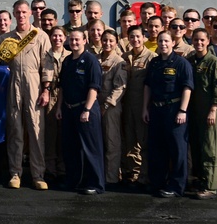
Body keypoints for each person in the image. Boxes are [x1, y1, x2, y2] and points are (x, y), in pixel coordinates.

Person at [0, 0, 54, 190]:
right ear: (13, 14)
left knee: (37, 130)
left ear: (30, 13)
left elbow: (48, 65)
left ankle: (38, 175)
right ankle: (15, 173)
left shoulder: (41, 36)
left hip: (34, 84)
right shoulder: (6, 38)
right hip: (13, 84)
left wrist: (46, 89)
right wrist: (1, 56)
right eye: (17, 12)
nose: (20, 15)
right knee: (15, 129)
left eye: (23, 12)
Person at [142, 31, 194, 197]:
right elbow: (148, 86)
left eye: (166, 41)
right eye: (160, 41)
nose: (163, 44)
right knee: (157, 148)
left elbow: (187, 87)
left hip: (174, 110)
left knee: (178, 150)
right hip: (156, 110)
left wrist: (183, 110)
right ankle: (158, 182)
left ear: (173, 42)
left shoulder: (181, 63)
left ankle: (177, 186)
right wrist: (145, 108)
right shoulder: (155, 63)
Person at [56, 28, 106, 195]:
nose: (74, 42)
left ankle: (96, 184)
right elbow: (62, 86)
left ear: (85, 40)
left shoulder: (91, 61)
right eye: (71, 40)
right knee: (71, 148)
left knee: (91, 148)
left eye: (77, 39)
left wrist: (87, 109)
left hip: (86, 109)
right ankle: (74, 181)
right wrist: (59, 107)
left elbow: (94, 87)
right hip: (69, 109)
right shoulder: (67, 61)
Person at [187, 28, 217, 199]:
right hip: (195, 112)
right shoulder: (190, 61)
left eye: (202, 40)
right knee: (197, 148)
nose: (198, 43)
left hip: (211, 112)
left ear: (208, 41)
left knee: (210, 149)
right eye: (196, 40)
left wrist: (213, 110)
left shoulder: (214, 63)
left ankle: (211, 186)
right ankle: (202, 180)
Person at [121, 25, 156, 187]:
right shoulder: (124, 57)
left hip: (143, 105)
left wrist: (147, 107)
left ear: (144, 38)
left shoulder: (151, 57)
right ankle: (133, 173)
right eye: (132, 37)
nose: (135, 40)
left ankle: (145, 175)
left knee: (144, 141)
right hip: (127, 104)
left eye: (138, 36)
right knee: (129, 140)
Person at [98, 29, 126, 186]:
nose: (107, 43)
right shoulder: (96, 59)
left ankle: (111, 177)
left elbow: (120, 88)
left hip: (111, 108)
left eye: (111, 40)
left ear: (116, 43)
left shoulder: (119, 62)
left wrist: (107, 105)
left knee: (112, 142)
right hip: (96, 105)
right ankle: (100, 174)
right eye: (105, 40)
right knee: (99, 141)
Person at [42, 26, 67, 183]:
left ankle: (63, 168)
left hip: (65, 97)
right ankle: (50, 168)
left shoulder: (71, 55)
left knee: (64, 134)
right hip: (49, 96)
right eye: (54, 36)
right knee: (50, 134)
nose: (57, 38)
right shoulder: (44, 56)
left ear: (65, 38)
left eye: (60, 36)